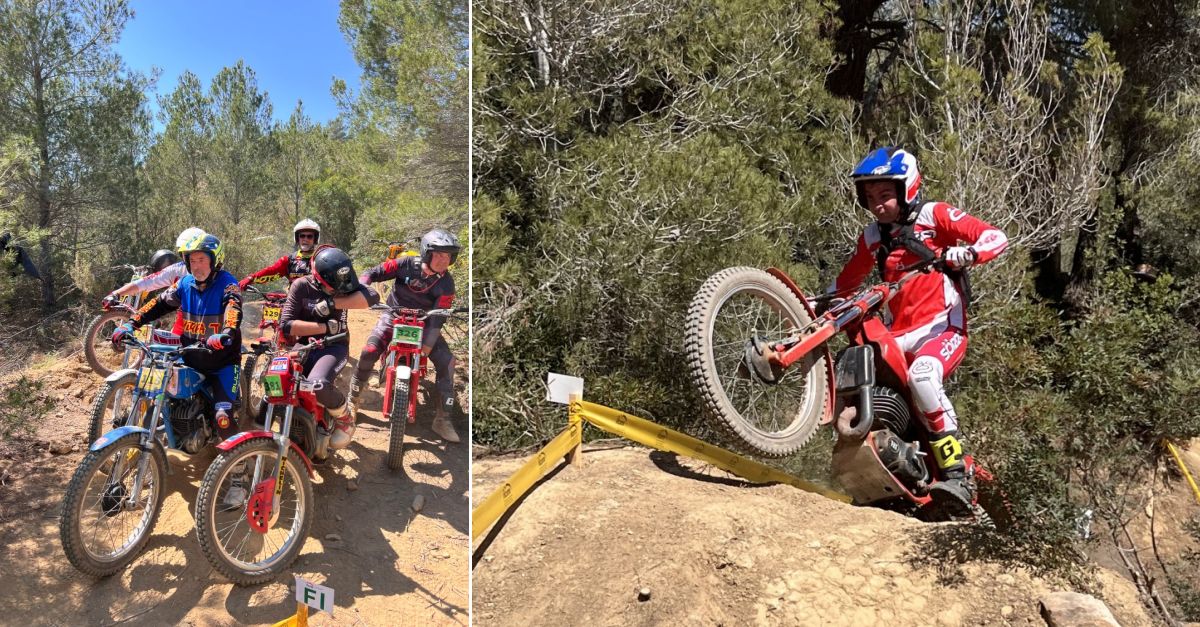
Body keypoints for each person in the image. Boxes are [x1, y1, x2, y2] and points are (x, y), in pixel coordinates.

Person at [824, 147, 1008, 512]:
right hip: (901, 335)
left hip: (943, 328)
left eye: (886, 195)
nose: (878, 205)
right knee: (854, 367)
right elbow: (846, 282)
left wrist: (968, 253)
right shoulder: (873, 236)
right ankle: (879, 463)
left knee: (923, 376)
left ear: (907, 188)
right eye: (871, 197)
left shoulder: (933, 215)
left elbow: (995, 237)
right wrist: (815, 305)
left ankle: (957, 473)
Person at [111, 233, 244, 448]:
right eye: (192, 261)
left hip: (222, 362)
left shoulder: (228, 284)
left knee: (223, 417)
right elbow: (159, 304)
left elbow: (233, 307)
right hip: (189, 356)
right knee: (161, 393)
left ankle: (239, 468)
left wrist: (227, 332)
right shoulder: (185, 283)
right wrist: (131, 324)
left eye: (202, 260)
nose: (197, 266)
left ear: (215, 260)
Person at [346, 228, 461, 443]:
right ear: (427, 252)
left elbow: (438, 319)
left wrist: (426, 348)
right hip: (393, 317)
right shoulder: (405, 264)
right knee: (369, 350)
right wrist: (363, 287)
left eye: (448, 255)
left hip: (426, 323)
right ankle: (352, 401)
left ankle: (443, 420)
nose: (444, 260)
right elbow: (374, 272)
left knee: (447, 361)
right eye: (439, 254)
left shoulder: (447, 283)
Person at [277, 245, 380, 449]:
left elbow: (372, 296)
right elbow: (286, 325)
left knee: (318, 383)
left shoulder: (344, 282)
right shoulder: (301, 286)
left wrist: (333, 304)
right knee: (279, 380)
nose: (337, 290)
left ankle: (344, 416)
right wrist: (323, 326)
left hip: (335, 345)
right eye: (331, 288)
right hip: (305, 345)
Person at [101, 227, 204, 309]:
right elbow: (146, 282)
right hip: (184, 325)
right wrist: (115, 294)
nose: (190, 257)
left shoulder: (217, 276)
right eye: (184, 253)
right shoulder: (176, 270)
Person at [238, 218, 322, 290]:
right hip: (293, 303)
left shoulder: (322, 258)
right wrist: (251, 278)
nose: (305, 239)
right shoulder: (289, 260)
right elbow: (271, 271)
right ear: (297, 238)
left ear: (315, 239)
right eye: (302, 236)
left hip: (317, 304)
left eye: (309, 236)